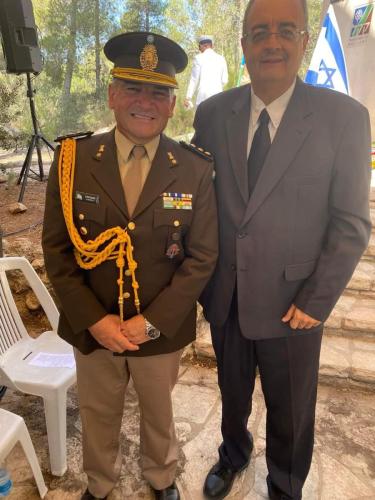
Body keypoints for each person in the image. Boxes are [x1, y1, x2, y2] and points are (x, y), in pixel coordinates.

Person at [192, 0, 372, 499]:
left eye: (285, 30)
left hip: (295, 303)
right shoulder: (212, 114)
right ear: (244, 44)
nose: (272, 41)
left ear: (303, 41)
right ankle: (233, 453)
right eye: (259, 31)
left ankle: (285, 484)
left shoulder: (345, 119)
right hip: (226, 294)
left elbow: (353, 222)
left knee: (292, 407)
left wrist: (317, 301)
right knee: (231, 395)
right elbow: (196, 198)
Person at [42, 31, 218, 500]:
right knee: (99, 411)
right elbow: (57, 252)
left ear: (173, 103)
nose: (146, 101)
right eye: (134, 88)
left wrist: (153, 323)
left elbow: (202, 257)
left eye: (158, 91)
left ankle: (161, 477)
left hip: (159, 328)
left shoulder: (195, 168)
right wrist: (95, 321)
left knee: (159, 410)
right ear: (112, 94)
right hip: (93, 324)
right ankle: (100, 484)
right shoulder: (73, 159)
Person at [184, 35, 228, 109]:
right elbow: (224, 80)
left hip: (203, 98)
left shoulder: (198, 58)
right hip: (218, 97)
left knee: (203, 120)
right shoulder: (221, 59)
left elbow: (194, 80)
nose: (199, 49)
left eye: (199, 47)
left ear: (202, 46)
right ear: (212, 45)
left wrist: (188, 97)